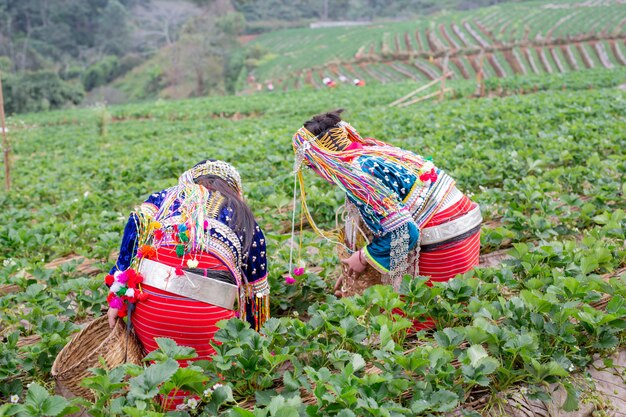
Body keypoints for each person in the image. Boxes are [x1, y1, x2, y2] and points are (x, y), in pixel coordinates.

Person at [105, 160, 269, 405]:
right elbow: (256, 293)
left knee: (160, 371)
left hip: (151, 313)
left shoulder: (165, 197)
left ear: (189, 181)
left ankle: (160, 397)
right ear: (232, 188)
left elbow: (136, 224)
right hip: (206, 323)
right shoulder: (241, 213)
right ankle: (204, 397)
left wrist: (116, 298)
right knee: (206, 381)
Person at [292, 109, 481, 295]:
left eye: (311, 168)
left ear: (322, 160)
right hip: (466, 223)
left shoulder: (357, 174)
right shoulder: (372, 151)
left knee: (406, 315)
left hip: (445, 240)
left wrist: (363, 258)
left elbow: (405, 231)